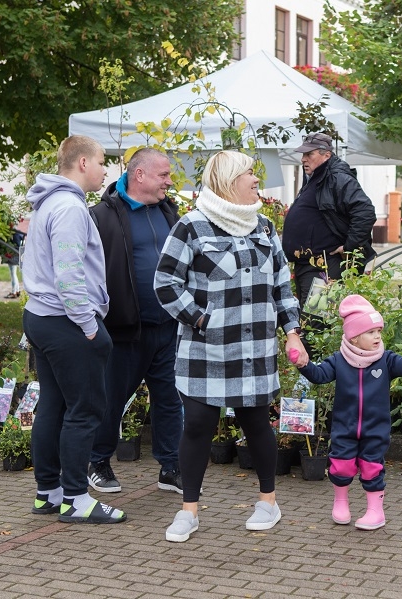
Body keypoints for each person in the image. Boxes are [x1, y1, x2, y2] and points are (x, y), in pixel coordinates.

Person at [154, 150, 308, 543]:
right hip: (204, 351)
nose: (257, 179)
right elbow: (165, 282)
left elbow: (282, 288)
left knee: (256, 425)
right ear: (227, 180)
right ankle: (188, 511)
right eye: (249, 174)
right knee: (199, 427)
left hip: (254, 351)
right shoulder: (192, 227)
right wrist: (201, 319)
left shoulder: (265, 229)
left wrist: (292, 331)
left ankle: (268, 503)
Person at [21, 135, 125, 524]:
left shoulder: (52, 202)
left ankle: (49, 493)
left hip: (42, 317)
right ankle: (77, 499)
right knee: (84, 411)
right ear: (83, 163)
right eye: (101, 162)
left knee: (54, 404)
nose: (105, 171)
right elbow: (68, 276)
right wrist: (89, 326)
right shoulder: (69, 208)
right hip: (66, 322)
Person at [292, 294, 402, 530]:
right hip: (344, 425)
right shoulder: (339, 360)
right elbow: (319, 376)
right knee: (340, 464)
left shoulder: (385, 360)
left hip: (375, 428)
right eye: (371, 332)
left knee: (372, 466)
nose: (377, 337)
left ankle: (376, 511)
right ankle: (341, 502)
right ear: (354, 337)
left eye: (378, 332)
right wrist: (303, 365)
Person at [86, 148, 183, 495]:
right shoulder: (101, 216)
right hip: (124, 328)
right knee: (112, 398)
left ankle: (171, 467)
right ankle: (97, 461)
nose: (169, 182)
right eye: (164, 175)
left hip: (168, 326)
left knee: (170, 398)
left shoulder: (169, 212)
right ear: (139, 175)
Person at [281, 132, 377, 306]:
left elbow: (365, 211)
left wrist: (349, 246)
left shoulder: (337, 177)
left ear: (327, 155)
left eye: (309, 154)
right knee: (308, 323)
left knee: (316, 324)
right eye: (303, 154)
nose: (303, 159)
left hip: (323, 267)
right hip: (308, 266)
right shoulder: (317, 178)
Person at [3, 227, 25, 299]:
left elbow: (15, 245)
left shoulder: (14, 234)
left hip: (13, 256)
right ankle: (17, 290)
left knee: (13, 274)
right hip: (16, 255)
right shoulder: (18, 233)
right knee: (14, 273)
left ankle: (14, 292)